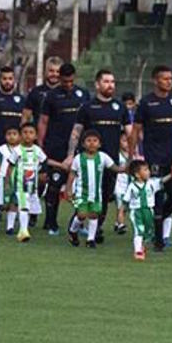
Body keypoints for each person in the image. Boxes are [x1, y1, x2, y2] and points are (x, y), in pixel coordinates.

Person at [67, 69, 132, 243]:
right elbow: (76, 132)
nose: (110, 85)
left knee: (104, 196)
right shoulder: (87, 107)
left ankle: (95, 229)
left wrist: (134, 155)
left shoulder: (121, 107)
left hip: (110, 160)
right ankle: (77, 223)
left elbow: (130, 133)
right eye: (106, 81)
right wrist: (70, 154)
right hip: (88, 160)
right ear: (97, 84)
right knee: (86, 193)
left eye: (112, 82)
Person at [130, 66, 172, 249]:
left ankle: (158, 227)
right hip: (153, 157)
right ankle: (159, 240)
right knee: (157, 196)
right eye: (165, 79)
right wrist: (132, 156)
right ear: (155, 80)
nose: (169, 81)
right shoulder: (146, 103)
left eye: (170, 78)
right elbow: (136, 130)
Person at [38, 63, 88, 235]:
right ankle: (51, 223)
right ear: (59, 78)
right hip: (56, 146)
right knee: (54, 184)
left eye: (71, 81)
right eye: (65, 81)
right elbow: (43, 121)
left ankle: (79, 222)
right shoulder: (51, 96)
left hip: (78, 148)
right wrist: (41, 144)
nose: (68, 84)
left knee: (80, 187)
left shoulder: (83, 94)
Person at [66, 130, 125, 250]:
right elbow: (72, 175)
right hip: (80, 194)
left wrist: (125, 168)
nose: (92, 143)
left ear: (99, 144)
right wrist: (68, 190)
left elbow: (115, 168)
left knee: (94, 215)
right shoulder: (78, 158)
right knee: (81, 215)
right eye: (88, 141)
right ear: (83, 144)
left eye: (95, 141)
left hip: (96, 194)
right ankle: (73, 231)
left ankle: (90, 239)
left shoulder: (103, 157)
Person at [6, 122, 60, 243]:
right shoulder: (17, 150)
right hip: (20, 184)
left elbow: (45, 161)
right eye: (25, 132)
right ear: (20, 135)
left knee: (30, 207)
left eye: (31, 133)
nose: (27, 135)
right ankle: (23, 231)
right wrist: (9, 180)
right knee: (23, 206)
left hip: (33, 185)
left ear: (36, 136)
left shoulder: (37, 150)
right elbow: (10, 165)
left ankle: (24, 226)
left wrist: (43, 174)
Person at [0, 125, 21, 232]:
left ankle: (10, 227)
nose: (12, 137)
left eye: (14, 134)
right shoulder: (2, 150)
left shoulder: (22, 150)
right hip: (4, 179)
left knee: (14, 203)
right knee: (3, 204)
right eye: (9, 134)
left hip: (17, 180)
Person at [0, 67, 24, 146]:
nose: (7, 82)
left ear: (14, 80)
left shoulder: (22, 99)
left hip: (16, 145)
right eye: (4, 79)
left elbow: (24, 121)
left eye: (10, 79)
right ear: (0, 80)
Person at [22, 57, 61, 124]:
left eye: (57, 71)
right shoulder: (35, 92)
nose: (54, 74)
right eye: (51, 71)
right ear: (45, 71)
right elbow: (26, 117)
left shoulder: (67, 92)